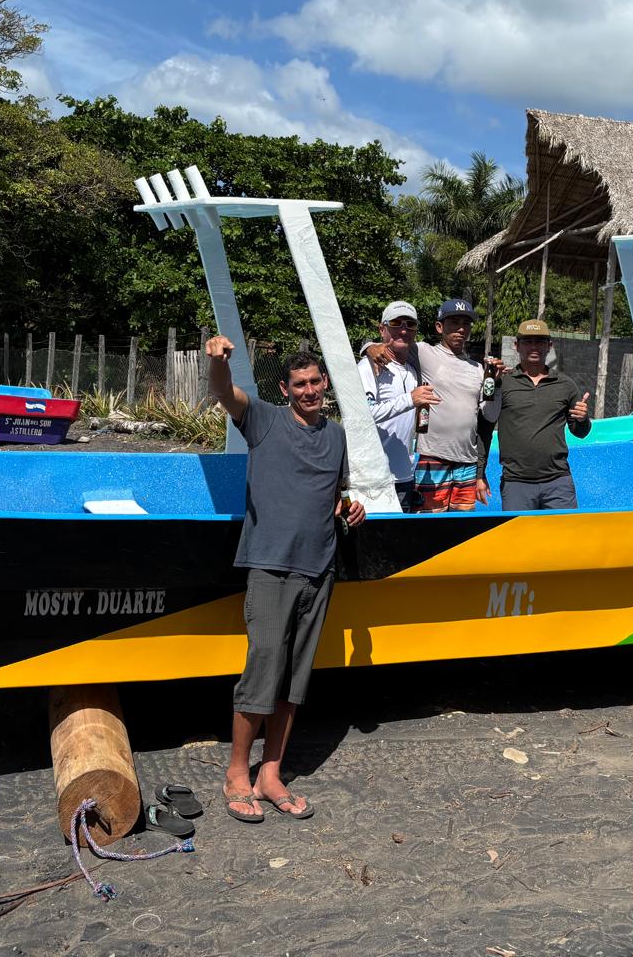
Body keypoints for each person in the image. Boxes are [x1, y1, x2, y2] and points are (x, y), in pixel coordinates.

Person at [205, 335, 365, 823]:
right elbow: (224, 394)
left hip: (320, 568)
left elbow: (333, 491)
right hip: (271, 567)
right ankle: (237, 772)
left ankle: (270, 773)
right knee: (263, 672)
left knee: (294, 681)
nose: (310, 389)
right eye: (301, 383)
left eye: (316, 381)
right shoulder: (265, 420)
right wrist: (217, 362)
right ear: (286, 388)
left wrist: (348, 505)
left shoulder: (335, 435)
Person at [366, 298, 492, 512]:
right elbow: (398, 340)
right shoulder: (424, 352)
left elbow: (486, 418)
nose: (461, 329)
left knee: (462, 530)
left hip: (467, 462)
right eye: (454, 323)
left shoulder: (478, 368)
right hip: (433, 457)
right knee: (429, 525)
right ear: (439, 327)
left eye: (466, 324)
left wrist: (496, 383)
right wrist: (369, 346)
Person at [481, 318, 592, 510]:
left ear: (549, 346)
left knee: (564, 538)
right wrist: (479, 473)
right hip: (516, 483)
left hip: (558, 482)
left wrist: (583, 419)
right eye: (527, 341)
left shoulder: (565, 384)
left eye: (540, 341)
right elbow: (485, 427)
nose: (534, 347)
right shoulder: (503, 384)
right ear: (517, 345)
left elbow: (580, 432)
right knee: (519, 540)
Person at [357, 301, 435, 512]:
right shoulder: (369, 366)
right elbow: (363, 415)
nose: (403, 330)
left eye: (410, 324)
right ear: (382, 330)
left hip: (405, 477)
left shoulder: (412, 369)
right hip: (374, 479)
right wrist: (410, 399)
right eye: (396, 323)